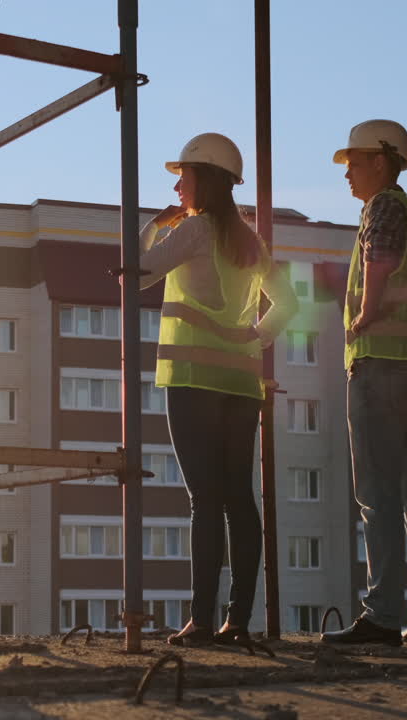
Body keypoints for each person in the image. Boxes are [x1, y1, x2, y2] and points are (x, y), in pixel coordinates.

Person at [136, 133, 297, 646]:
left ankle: (201, 622)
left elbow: (135, 276)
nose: (176, 183)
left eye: (182, 174)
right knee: (238, 501)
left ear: (203, 178)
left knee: (204, 501)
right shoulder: (251, 241)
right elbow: (289, 303)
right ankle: (238, 622)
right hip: (241, 384)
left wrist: (151, 227)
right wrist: (258, 335)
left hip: (192, 383)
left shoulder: (195, 231)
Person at [322, 119, 407, 647]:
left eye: (354, 163)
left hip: (378, 365)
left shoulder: (381, 208)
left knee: (377, 492)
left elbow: (378, 262)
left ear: (381, 161)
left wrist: (367, 313)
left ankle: (381, 615)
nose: (348, 175)